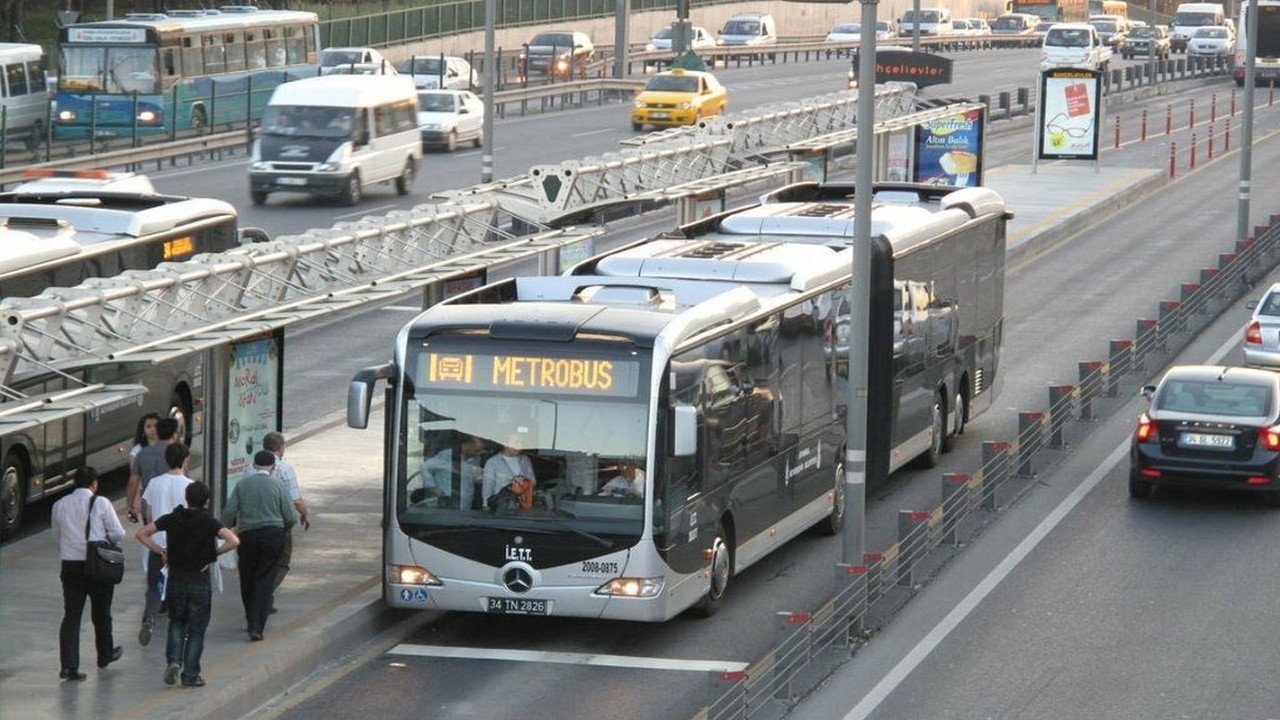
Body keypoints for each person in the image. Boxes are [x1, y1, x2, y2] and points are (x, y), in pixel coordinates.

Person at [136, 482, 239, 688]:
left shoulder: (173, 518)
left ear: (186, 497)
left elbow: (141, 534)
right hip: (199, 582)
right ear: (206, 501)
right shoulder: (209, 521)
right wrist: (212, 556)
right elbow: (233, 540)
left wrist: (160, 551)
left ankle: (174, 661)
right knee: (197, 629)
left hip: (176, 580)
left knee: (177, 622)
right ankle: (190, 674)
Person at [52, 467, 124, 681]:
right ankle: (105, 654)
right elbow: (118, 534)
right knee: (102, 612)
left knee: (72, 615)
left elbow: (57, 536)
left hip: (70, 565)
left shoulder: (59, 505)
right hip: (98, 565)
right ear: (94, 483)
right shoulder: (101, 503)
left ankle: (69, 667)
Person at [223, 451, 297, 641]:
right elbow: (290, 516)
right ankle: (258, 626)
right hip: (273, 535)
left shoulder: (242, 484)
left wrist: (228, 527)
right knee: (265, 579)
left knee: (247, 577)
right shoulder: (278, 485)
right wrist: (283, 529)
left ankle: (250, 619)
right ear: (273, 467)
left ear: (254, 466)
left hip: (248, 535)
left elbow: (229, 510)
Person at [137, 443, 195, 647]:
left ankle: (149, 618)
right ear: (185, 460)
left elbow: (150, 516)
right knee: (180, 589)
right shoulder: (190, 485)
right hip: (181, 547)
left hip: (158, 545)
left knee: (155, 585)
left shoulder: (154, 483)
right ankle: (179, 629)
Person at [262, 432, 309, 609]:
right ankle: (266, 592)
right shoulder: (284, 469)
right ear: (281, 449)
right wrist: (304, 514)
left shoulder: (251, 467)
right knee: (282, 561)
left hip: (253, 524)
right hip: (278, 525)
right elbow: (296, 500)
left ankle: (262, 593)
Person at [482, 436, 537, 509]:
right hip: (502, 508)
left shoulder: (525, 460)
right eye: (516, 442)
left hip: (523, 506)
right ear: (505, 443)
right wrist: (486, 507)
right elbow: (487, 488)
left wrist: (523, 481)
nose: (519, 445)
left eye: (521, 443)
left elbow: (533, 481)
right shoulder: (493, 462)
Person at [125, 413, 160, 524]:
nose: (152, 429)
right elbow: (135, 479)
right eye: (148, 426)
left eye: (155, 426)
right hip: (148, 498)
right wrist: (133, 504)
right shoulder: (137, 451)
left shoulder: (168, 446)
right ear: (143, 430)